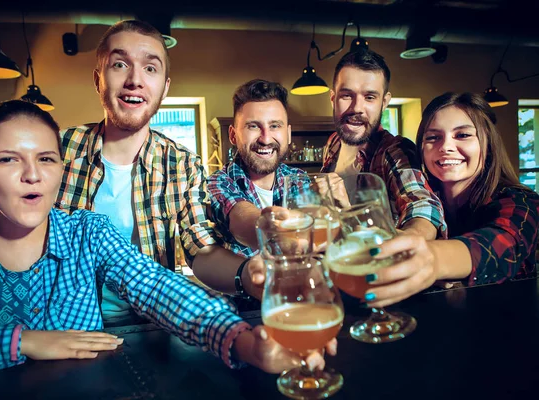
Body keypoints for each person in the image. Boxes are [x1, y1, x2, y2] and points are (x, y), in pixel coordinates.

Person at [0, 100, 335, 377]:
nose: (32, 175)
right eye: (8, 159)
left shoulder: (86, 231)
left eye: (45, 159)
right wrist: (19, 342)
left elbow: (157, 286)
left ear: (61, 166)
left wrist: (242, 341)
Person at [56, 20, 264, 322]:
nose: (135, 80)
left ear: (165, 87)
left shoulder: (182, 164)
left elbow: (201, 248)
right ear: (98, 78)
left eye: (150, 68)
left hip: (148, 329)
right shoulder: (57, 149)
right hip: (62, 329)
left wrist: (246, 274)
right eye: (119, 65)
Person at [362, 92, 539, 308]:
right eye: (433, 137)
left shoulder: (523, 203)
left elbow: (503, 245)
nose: (445, 147)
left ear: (488, 144)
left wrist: (432, 259)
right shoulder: (423, 202)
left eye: (462, 135)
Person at [321, 50, 446, 240]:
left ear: (384, 102)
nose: (356, 108)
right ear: (333, 98)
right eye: (347, 95)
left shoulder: (395, 151)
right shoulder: (333, 143)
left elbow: (422, 205)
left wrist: (411, 237)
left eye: (369, 97)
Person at [208, 79, 305, 258]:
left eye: (275, 126)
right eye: (253, 126)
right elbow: (241, 217)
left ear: (288, 134)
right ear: (232, 135)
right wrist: (272, 230)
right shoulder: (218, 183)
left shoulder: (300, 179)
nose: (266, 139)